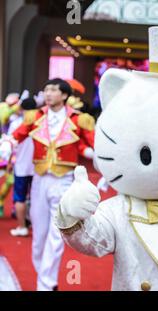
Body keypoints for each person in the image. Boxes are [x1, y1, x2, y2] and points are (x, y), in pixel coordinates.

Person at [9, 78, 95, 290]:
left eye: (53, 90)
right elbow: (15, 136)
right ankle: (45, 276)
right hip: (39, 181)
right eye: (46, 89)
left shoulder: (79, 119)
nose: (48, 93)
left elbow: (91, 144)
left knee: (57, 234)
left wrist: (97, 156)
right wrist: (6, 145)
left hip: (65, 181)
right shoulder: (34, 116)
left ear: (64, 95)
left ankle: (45, 284)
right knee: (38, 238)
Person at [9, 97, 37, 237]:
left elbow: (9, 146)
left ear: (22, 109)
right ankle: (35, 224)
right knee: (36, 197)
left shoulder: (16, 124)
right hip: (38, 167)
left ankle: (22, 227)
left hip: (21, 166)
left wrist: (8, 163)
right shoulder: (41, 123)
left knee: (20, 197)